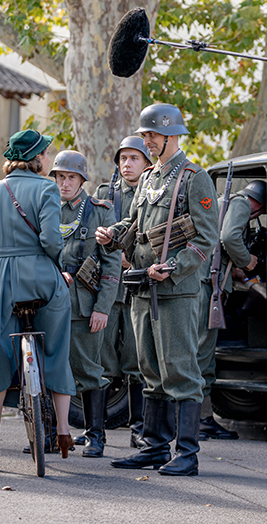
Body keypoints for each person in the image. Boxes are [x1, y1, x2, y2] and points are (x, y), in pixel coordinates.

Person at [96, 103, 218, 476]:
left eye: (151, 135)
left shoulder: (194, 177)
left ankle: (186, 452)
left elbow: (206, 237)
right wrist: (113, 234)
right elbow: (135, 222)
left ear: (171, 136)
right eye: (145, 135)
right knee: (149, 367)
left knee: (179, 369)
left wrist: (175, 268)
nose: (147, 141)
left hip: (176, 290)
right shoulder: (149, 178)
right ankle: (153, 445)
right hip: (144, 286)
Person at [0, 130, 76, 472]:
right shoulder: (46, 188)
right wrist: (54, 262)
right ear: (36, 158)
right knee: (56, 345)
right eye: (45, 154)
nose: (47, 159)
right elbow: (51, 240)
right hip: (39, 274)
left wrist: (0, 257)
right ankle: (62, 429)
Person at [50, 150, 121, 458]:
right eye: (60, 177)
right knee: (50, 368)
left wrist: (103, 307)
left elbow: (111, 264)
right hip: (50, 303)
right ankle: (52, 433)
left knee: (89, 371)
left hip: (84, 305)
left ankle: (96, 435)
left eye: (71, 178)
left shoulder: (99, 211)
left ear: (82, 180)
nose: (65, 184)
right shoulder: (47, 208)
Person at [93, 136, 152, 449]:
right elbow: (93, 235)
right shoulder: (105, 193)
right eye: (123, 159)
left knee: (135, 359)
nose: (127, 165)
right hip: (107, 287)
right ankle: (95, 430)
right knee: (100, 359)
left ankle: (139, 428)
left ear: (146, 163)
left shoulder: (153, 193)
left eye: (134, 158)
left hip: (136, 286)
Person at [197, 179, 266, 441]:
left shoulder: (221, 205)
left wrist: (234, 269)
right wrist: (248, 262)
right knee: (202, 356)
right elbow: (228, 237)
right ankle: (200, 421)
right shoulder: (239, 203)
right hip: (207, 288)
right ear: (258, 205)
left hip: (205, 283)